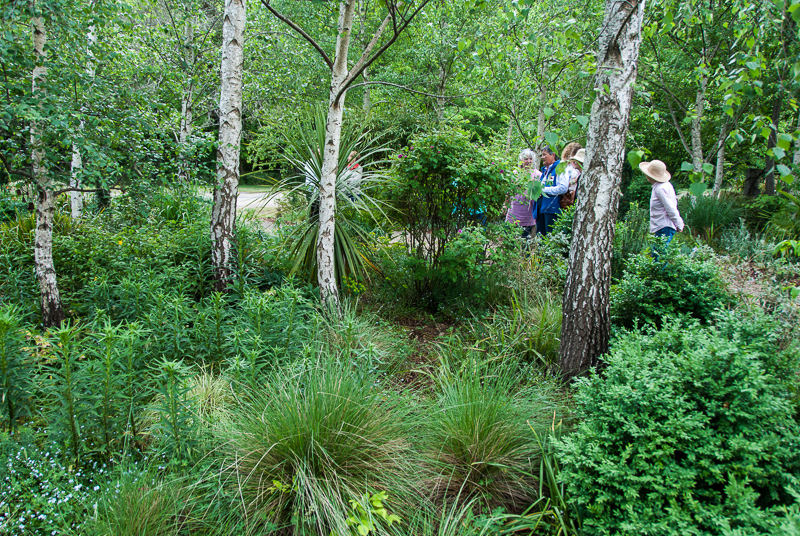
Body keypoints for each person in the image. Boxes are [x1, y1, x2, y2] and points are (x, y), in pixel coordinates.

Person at [639, 159, 684, 249]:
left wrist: (679, 223)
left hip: (664, 226)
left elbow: (670, 207)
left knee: (659, 257)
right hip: (663, 226)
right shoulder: (663, 186)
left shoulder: (660, 188)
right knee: (659, 254)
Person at [505, 149, 539, 240]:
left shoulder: (537, 174)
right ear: (521, 160)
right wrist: (505, 205)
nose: (528, 161)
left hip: (528, 213)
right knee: (510, 239)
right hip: (514, 211)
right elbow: (508, 192)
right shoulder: (515, 173)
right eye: (526, 159)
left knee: (525, 241)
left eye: (530, 159)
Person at [535, 146, 567, 236]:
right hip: (542, 209)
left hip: (552, 209)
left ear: (553, 155)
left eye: (544, 155)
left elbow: (563, 188)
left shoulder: (560, 168)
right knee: (541, 237)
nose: (542, 157)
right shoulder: (545, 171)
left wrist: (543, 190)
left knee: (550, 237)